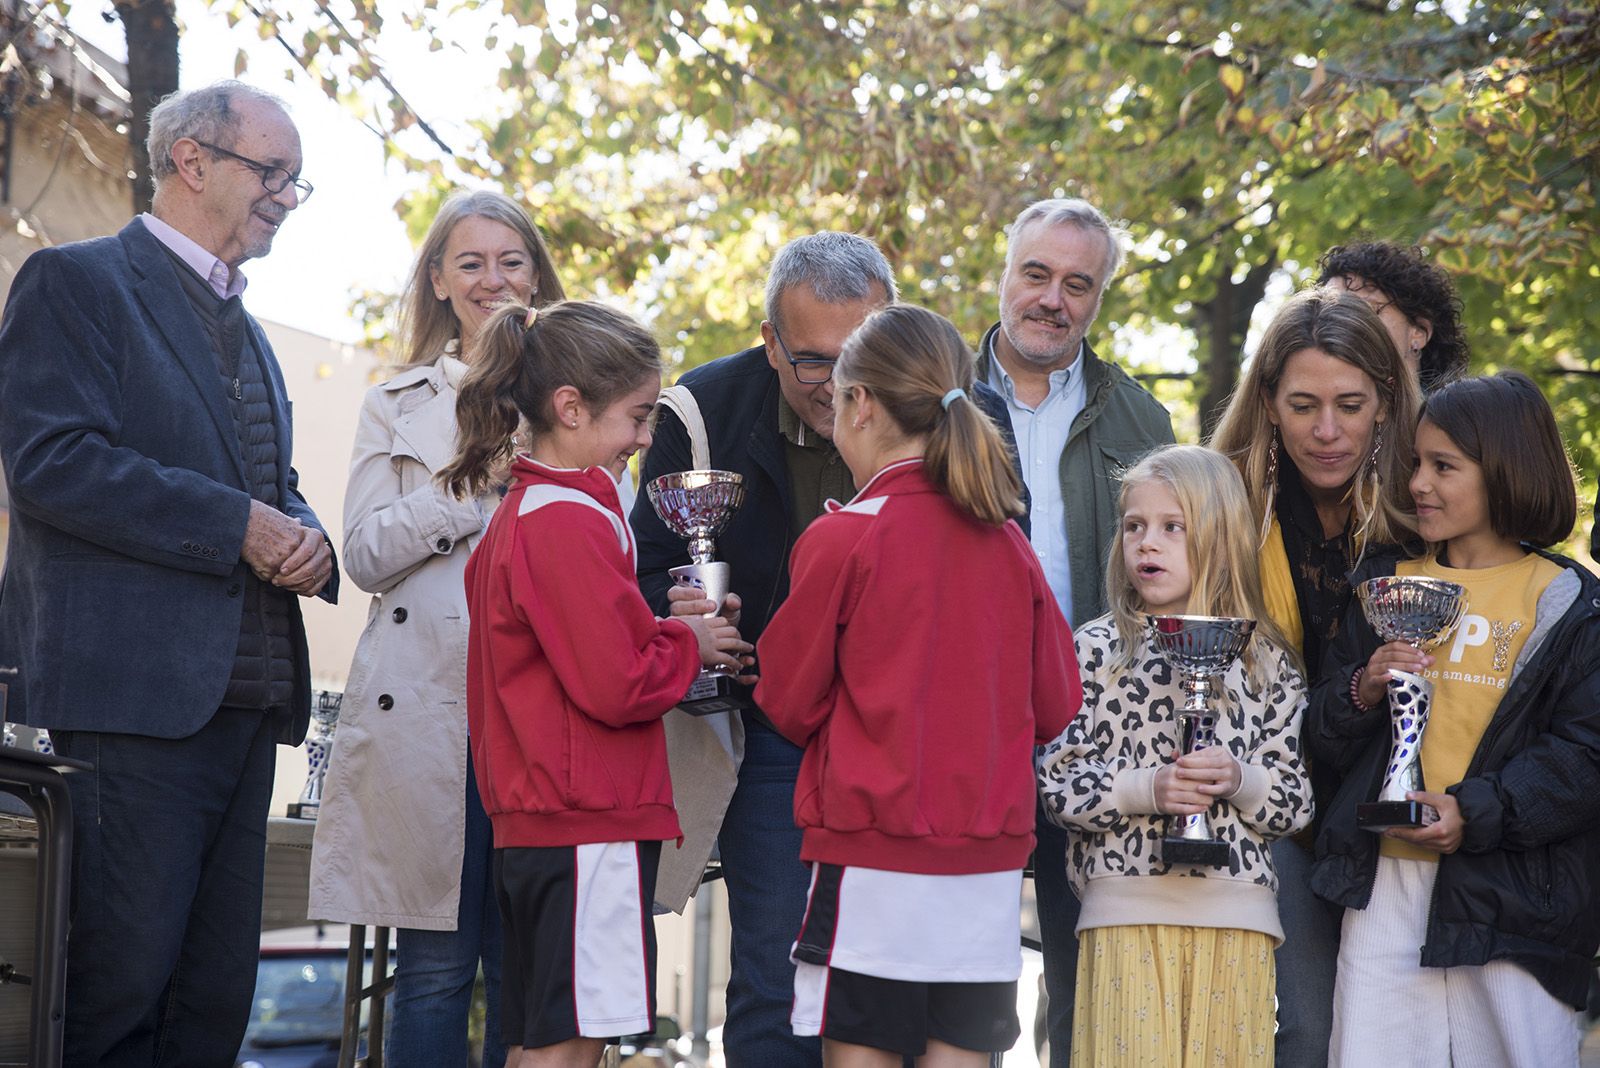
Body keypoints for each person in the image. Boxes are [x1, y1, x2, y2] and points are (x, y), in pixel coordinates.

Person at [0, 80, 337, 1064]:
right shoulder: (78, 283)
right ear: (192, 161)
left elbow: (265, 482)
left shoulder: (254, 332)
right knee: (121, 998)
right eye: (270, 171)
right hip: (132, 712)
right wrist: (237, 523)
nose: (284, 193)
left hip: (244, 714)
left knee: (211, 1006)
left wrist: (303, 534)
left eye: (294, 180)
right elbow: (51, 462)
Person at [629, 231, 1022, 1066]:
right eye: (814, 362)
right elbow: (650, 568)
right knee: (784, 984)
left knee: (872, 1016)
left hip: (925, 762)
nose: (845, 384)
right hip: (794, 753)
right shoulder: (702, 413)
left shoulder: (968, 412)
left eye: (860, 356)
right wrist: (694, 619)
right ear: (768, 341)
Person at [754, 304, 1081, 1066]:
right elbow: (1058, 703)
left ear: (861, 403)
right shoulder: (1007, 542)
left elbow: (785, 699)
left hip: (871, 861)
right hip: (985, 866)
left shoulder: (845, 536)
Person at [440, 299, 748, 1066]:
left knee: (542, 1040)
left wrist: (662, 627)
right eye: (638, 416)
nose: (647, 438)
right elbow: (614, 685)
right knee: (567, 1050)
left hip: (550, 820)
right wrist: (688, 641)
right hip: (585, 824)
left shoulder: (529, 511)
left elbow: (578, 657)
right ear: (570, 407)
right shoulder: (565, 519)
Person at [307, 189, 565, 1067]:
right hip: (432, 714)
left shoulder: (582, 393)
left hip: (545, 712)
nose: (494, 279)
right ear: (440, 281)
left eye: (511, 260)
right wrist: (468, 486)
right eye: (471, 263)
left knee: (530, 973)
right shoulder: (396, 404)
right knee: (433, 972)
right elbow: (366, 554)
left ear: (537, 272)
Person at [1305, 372, 1599, 1067]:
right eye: (1415, 463)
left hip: (1515, 901)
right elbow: (1318, 733)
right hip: (1382, 890)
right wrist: (1361, 689)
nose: (1418, 484)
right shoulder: (1383, 582)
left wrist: (1473, 812)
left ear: (1505, 471)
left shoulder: (1569, 602)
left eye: (1444, 466)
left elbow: (1584, 757)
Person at [975, 197, 1175, 1066]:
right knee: (961, 975)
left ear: (1099, 299)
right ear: (1006, 273)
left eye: (1078, 284)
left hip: (1092, 722)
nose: (1053, 299)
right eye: (1037, 274)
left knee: (1088, 970)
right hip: (963, 719)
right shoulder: (934, 395)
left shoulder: (1139, 420)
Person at [1037, 445, 1313, 1066]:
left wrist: (1240, 780)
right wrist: (1148, 789)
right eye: (1134, 526)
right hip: (1121, 912)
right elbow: (1059, 788)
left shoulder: (1264, 661)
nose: (1147, 544)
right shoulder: (1095, 652)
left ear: (1218, 536)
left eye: (1172, 527)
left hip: (1236, 920)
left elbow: (1296, 804)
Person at [1208, 287, 1420, 1067]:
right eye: (1302, 405)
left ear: (1387, 402)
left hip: (1388, 812)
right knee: (1303, 1026)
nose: (1326, 432)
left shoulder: (1424, 504)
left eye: (1350, 404)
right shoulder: (1222, 504)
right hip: (1266, 802)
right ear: (1267, 402)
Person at [1317, 241, 1469, 391]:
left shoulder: (1459, 414)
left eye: (1367, 310)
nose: (1342, 322)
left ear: (1419, 332)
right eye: (1331, 311)